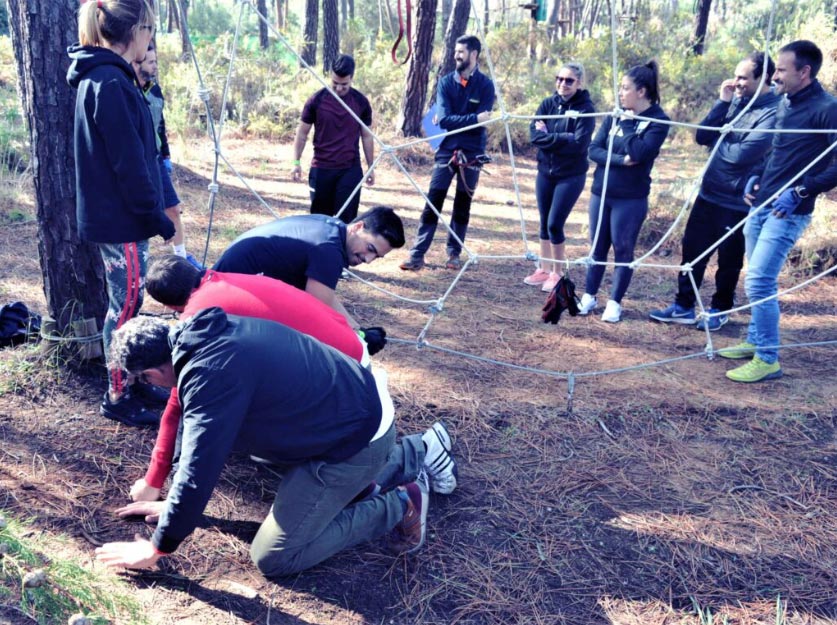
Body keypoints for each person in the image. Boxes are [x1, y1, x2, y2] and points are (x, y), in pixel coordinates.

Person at [94, 309, 453, 576]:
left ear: (152, 374)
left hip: (354, 438)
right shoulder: (202, 334)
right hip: (353, 415)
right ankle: (415, 451)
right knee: (260, 457)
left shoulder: (209, 374)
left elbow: (199, 467)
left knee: (275, 556)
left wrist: (158, 548)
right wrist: (174, 504)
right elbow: (196, 437)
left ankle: (401, 503)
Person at [132, 255, 458, 503]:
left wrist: (154, 480)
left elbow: (179, 402)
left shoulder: (199, 316)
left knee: (256, 427)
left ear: (169, 305)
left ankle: (403, 461)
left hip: (339, 372)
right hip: (345, 350)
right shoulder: (225, 278)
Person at [67, 0, 175, 427]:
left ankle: (128, 378)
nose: (150, 39)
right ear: (133, 31)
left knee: (127, 302)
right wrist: (156, 217)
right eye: (149, 29)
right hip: (121, 220)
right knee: (125, 307)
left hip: (120, 217)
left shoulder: (110, 78)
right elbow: (128, 164)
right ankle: (116, 392)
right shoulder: (109, 82)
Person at [722, 40, 837, 383]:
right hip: (761, 203)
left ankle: (768, 357)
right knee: (754, 276)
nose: (774, 76)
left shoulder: (827, 108)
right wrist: (756, 176)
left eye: (781, 70)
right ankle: (755, 342)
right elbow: (777, 150)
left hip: (789, 210)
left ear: (805, 72)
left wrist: (802, 190)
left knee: (760, 281)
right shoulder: (785, 103)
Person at [650, 53, 779, 331]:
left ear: (763, 78)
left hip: (738, 201)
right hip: (709, 192)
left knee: (729, 260)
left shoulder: (774, 110)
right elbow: (702, 136)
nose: (737, 82)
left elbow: (742, 154)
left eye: (744, 77)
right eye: (736, 75)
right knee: (692, 252)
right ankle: (684, 306)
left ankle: (720, 309)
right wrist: (723, 101)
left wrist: (719, 140)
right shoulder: (734, 101)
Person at [578, 60, 670, 323]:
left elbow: (641, 153)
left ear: (641, 91)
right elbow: (593, 149)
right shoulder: (614, 114)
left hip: (630, 198)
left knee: (623, 248)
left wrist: (628, 125)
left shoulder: (658, 121)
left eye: (625, 88)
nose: (620, 93)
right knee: (597, 247)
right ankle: (589, 296)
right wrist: (620, 159)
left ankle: (615, 303)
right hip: (601, 191)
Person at [213, 206, 405, 329]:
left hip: (227, 282)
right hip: (224, 295)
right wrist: (358, 340)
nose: (369, 260)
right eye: (370, 248)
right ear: (357, 227)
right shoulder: (329, 249)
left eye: (377, 257)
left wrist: (358, 329)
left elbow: (325, 295)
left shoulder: (333, 228)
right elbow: (320, 310)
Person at [399, 35, 496, 271]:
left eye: (461, 51)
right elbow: (443, 120)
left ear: (474, 55)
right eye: (455, 51)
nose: (456, 55)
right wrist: (473, 118)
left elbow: (484, 122)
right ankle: (417, 254)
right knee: (433, 201)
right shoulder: (445, 83)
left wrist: (467, 121)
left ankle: (454, 253)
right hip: (447, 151)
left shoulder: (485, 85)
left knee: (463, 204)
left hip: (473, 153)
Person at [524, 62, 596, 293]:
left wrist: (552, 137)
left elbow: (579, 144)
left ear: (579, 83)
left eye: (569, 80)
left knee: (556, 223)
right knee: (544, 222)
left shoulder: (586, 109)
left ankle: (558, 273)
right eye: (559, 78)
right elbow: (534, 136)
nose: (562, 84)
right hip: (545, 172)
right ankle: (544, 269)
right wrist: (563, 137)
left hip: (570, 175)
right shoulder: (548, 103)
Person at [133, 42, 202, 269]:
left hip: (156, 160)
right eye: (150, 62)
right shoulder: (127, 91)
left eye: (155, 61)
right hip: (137, 163)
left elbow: (160, 126)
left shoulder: (155, 91)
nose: (154, 66)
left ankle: (181, 259)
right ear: (137, 62)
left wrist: (166, 156)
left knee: (172, 208)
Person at [291, 54, 375, 224]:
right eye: (335, 83)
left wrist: (371, 167)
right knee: (320, 221)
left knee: (345, 222)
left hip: (349, 169)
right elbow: (301, 134)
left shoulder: (360, 102)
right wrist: (296, 163)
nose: (338, 88)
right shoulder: (317, 100)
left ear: (352, 78)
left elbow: (367, 136)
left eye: (344, 85)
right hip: (321, 168)